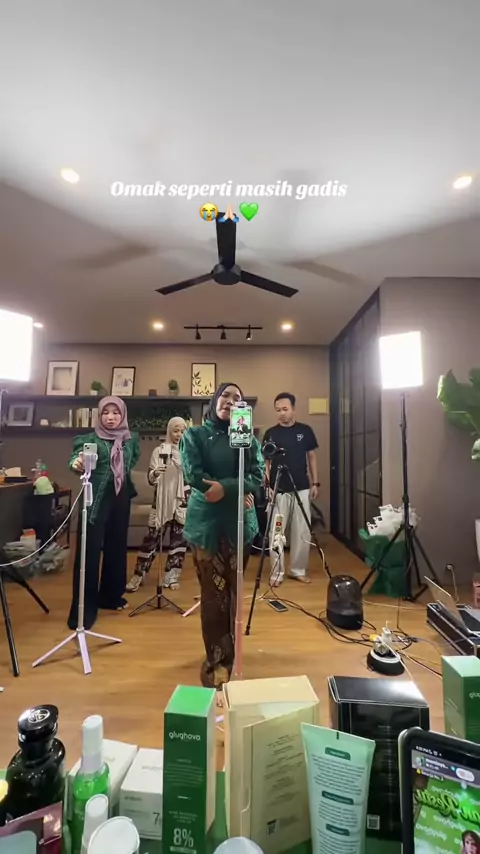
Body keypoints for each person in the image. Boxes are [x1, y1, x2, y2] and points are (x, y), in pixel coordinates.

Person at [179, 382, 265, 690]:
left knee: (234, 594)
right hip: (207, 527)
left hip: (240, 526)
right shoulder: (194, 436)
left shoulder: (248, 439)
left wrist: (227, 488)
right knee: (214, 597)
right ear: (214, 401)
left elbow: (257, 476)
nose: (230, 401)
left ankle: (233, 656)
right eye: (225, 395)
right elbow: (194, 475)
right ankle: (217, 662)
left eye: (237, 398)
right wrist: (236, 489)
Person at [68, 396, 140, 629]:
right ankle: (84, 610)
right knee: (88, 552)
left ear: (123, 415)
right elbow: (76, 459)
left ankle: (110, 596)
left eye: (116, 412)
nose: (110, 417)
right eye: (106, 413)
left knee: (116, 547)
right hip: (94, 500)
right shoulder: (89, 439)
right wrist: (77, 463)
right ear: (99, 416)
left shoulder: (131, 439)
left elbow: (131, 461)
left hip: (120, 497)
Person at [126, 417, 189, 593]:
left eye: (182, 431)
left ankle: (171, 577)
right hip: (162, 500)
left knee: (179, 541)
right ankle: (138, 575)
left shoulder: (190, 452)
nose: (179, 434)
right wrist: (156, 473)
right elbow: (151, 479)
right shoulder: (159, 451)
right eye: (175, 431)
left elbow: (194, 476)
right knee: (151, 540)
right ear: (169, 431)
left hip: (182, 500)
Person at [263, 392, 319, 585]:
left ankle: (298, 570)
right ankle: (276, 573)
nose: (282, 413)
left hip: (301, 487)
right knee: (276, 532)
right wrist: (268, 485)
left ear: (293, 409)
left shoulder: (305, 430)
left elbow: (311, 457)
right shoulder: (271, 433)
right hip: (278, 490)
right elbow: (266, 462)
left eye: (285, 409)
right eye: (278, 410)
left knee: (302, 531)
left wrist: (315, 483)